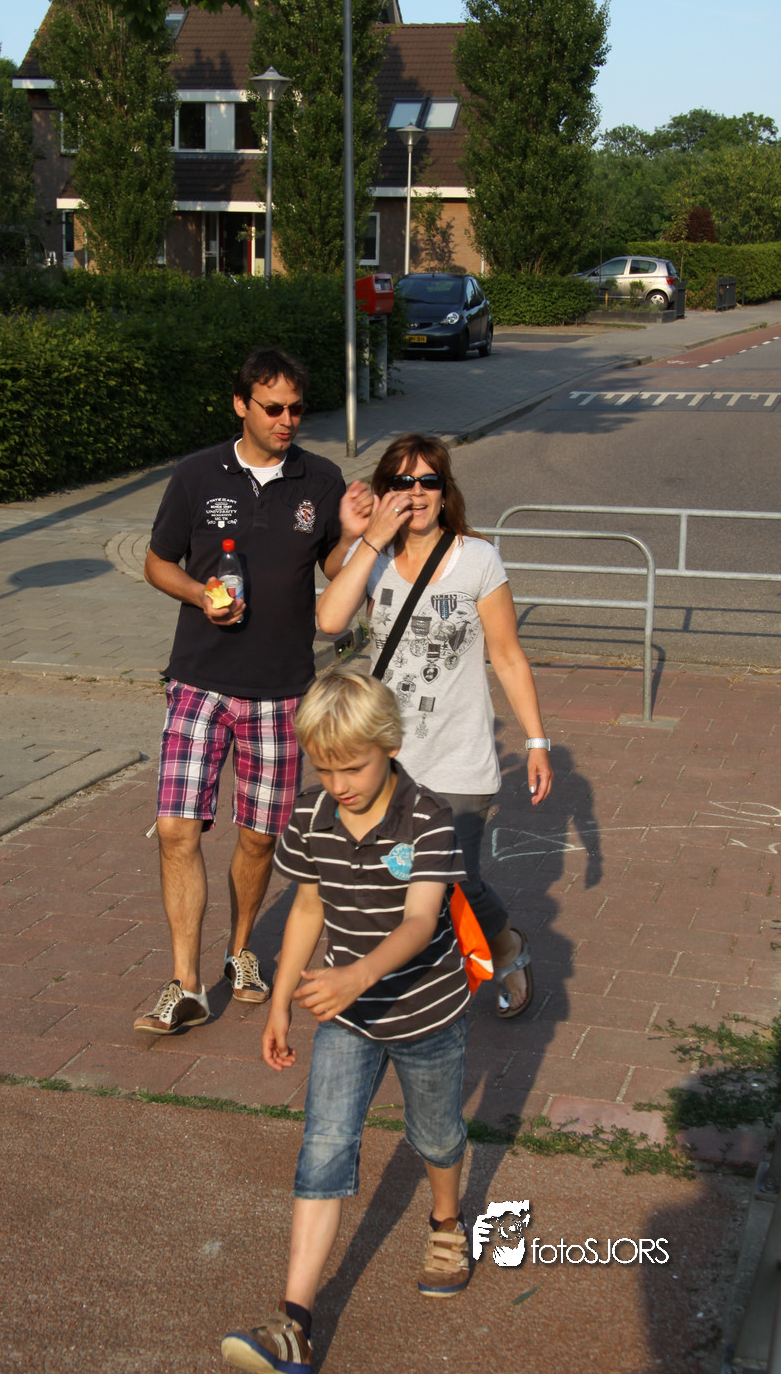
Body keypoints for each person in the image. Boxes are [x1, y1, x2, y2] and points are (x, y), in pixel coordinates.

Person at [221, 670, 473, 1374]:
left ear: (390, 746)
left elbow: (421, 920)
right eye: (324, 769)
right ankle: (294, 1322)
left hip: (425, 1011)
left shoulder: (428, 818)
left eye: (353, 767)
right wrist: (280, 999)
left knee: (436, 1134)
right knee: (324, 1147)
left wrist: (360, 973)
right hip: (347, 1016)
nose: (339, 785)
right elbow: (308, 906)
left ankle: (446, 1222)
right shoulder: (311, 814)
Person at [134, 346, 372, 1035]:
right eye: (273, 408)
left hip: (281, 690)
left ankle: (240, 951)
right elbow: (157, 562)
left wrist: (356, 537)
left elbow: (333, 569)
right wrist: (199, 594)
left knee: (260, 838)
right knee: (176, 829)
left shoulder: (319, 479)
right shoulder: (195, 474)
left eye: (296, 408)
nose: (286, 420)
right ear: (241, 405)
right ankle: (185, 982)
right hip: (199, 681)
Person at [314, 433, 553, 1019]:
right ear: (384, 491)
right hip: (389, 759)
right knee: (394, 876)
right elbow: (330, 620)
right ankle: (411, 982)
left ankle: (505, 945)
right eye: (402, 481)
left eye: (428, 481)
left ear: (445, 492)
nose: (415, 493)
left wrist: (536, 740)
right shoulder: (374, 557)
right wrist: (369, 537)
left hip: (459, 756)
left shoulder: (477, 559)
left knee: (452, 879)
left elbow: (507, 656)